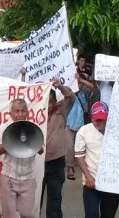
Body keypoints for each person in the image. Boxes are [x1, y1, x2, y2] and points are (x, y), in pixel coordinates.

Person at [0, 99, 44, 218]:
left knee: (26, 213)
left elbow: (41, 150)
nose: (20, 114)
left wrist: (31, 139)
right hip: (9, 176)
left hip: (28, 177)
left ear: (27, 112)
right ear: (10, 114)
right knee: (9, 214)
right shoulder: (5, 128)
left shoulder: (33, 128)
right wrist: (11, 140)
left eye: (23, 111)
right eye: (16, 111)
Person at [75, 101, 119, 218]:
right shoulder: (84, 131)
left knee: (108, 215)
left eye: (102, 120)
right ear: (91, 118)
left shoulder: (117, 131)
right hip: (91, 182)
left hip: (112, 183)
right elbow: (79, 156)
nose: (99, 122)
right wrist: (87, 176)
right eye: (96, 120)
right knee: (91, 214)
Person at [42, 79, 74, 218]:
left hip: (56, 161)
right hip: (37, 162)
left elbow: (70, 97)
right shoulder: (35, 112)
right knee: (35, 199)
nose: (48, 106)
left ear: (55, 102)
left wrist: (60, 86)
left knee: (55, 199)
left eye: (50, 102)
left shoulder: (61, 110)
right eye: (45, 102)